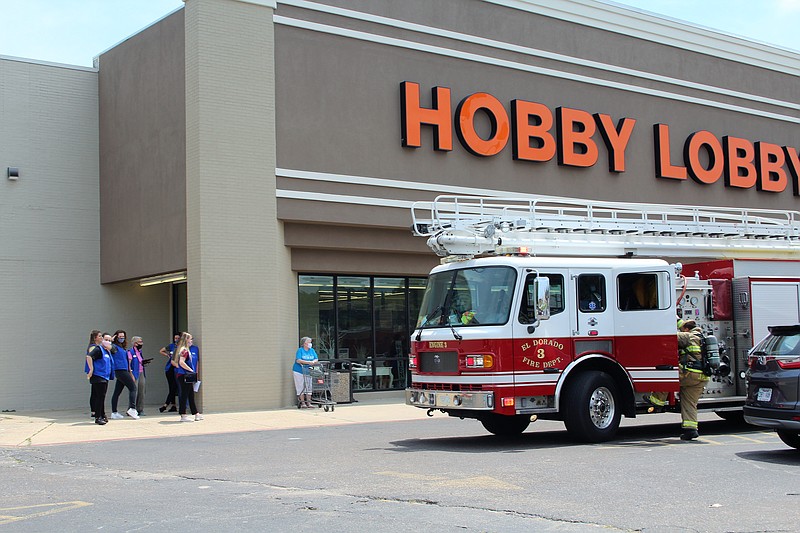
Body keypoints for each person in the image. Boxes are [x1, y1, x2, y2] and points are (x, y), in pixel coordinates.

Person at [676, 319, 708, 440]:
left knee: (667, 377)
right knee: (689, 402)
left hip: (690, 374)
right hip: (702, 376)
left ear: (686, 329)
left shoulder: (688, 336)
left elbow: (668, 336)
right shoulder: (703, 338)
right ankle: (690, 430)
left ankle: (657, 400)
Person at [109, 329, 139, 420]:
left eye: (123, 337)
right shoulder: (114, 347)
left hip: (123, 370)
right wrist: (111, 339)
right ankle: (132, 409)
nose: (121, 338)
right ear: (116, 337)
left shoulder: (122, 348)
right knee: (133, 388)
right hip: (120, 370)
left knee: (117, 392)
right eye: (119, 337)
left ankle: (114, 412)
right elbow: (107, 346)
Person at [86, 333, 115, 425]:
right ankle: (98, 417)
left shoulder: (107, 351)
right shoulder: (98, 349)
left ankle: (102, 414)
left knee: (101, 397)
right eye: (106, 339)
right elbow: (89, 356)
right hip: (99, 376)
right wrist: (91, 369)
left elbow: (115, 350)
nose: (108, 342)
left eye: (110, 340)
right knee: (100, 397)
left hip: (105, 376)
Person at [173, 332, 201, 422]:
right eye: (190, 339)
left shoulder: (184, 350)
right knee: (185, 395)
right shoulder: (184, 350)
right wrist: (190, 370)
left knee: (190, 394)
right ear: (186, 340)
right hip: (184, 375)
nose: (191, 340)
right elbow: (181, 362)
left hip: (185, 375)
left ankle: (196, 413)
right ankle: (183, 415)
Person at [293, 336, 318, 408]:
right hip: (299, 370)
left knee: (309, 386)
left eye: (310, 342)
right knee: (300, 386)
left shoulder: (312, 350)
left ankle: (309, 402)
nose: (310, 344)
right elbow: (298, 360)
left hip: (309, 370)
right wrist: (307, 362)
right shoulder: (300, 350)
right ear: (304, 343)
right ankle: (303, 403)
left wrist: (313, 362)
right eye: (309, 342)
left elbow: (316, 358)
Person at [158, 333, 180, 413]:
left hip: (177, 368)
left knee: (174, 387)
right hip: (169, 368)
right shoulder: (171, 346)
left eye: (178, 338)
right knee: (172, 387)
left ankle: (166, 405)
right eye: (175, 338)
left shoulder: (181, 348)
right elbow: (161, 351)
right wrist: (167, 355)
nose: (176, 339)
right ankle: (172, 405)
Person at [128, 336, 149, 416]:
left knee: (142, 391)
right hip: (134, 373)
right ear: (135, 343)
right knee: (134, 391)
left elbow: (140, 361)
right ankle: (131, 409)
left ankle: (140, 409)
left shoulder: (139, 352)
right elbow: (129, 364)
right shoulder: (130, 352)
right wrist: (131, 374)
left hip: (141, 372)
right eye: (140, 342)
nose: (141, 343)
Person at [85, 329, 102, 418]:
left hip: (95, 372)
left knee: (95, 392)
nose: (101, 337)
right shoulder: (93, 347)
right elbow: (89, 357)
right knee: (95, 392)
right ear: (95, 338)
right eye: (100, 336)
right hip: (95, 372)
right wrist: (91, 370)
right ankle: (94, 411)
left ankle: (94, 410)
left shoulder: (97, 347)